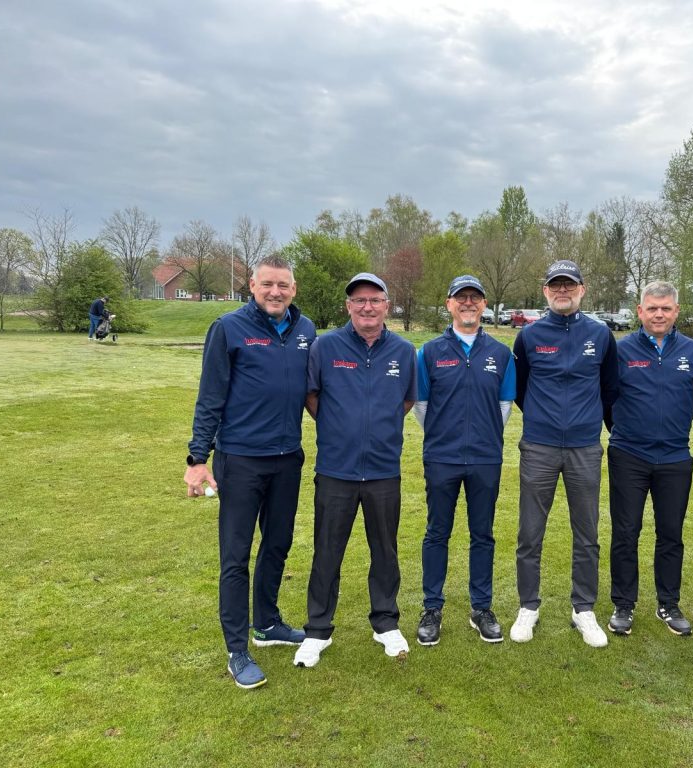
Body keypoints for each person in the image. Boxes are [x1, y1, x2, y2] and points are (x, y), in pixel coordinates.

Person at [184, 256, 316, 690]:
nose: (275, 292)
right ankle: (237, 649)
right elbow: (210, 397)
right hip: (240, 460)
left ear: (293, 289)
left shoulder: (305, 330)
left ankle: (268, 623)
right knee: (236, 555)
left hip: (287, 459)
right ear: (252, 286)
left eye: (283, 285)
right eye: (267, 284)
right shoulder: (229, 328)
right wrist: (197, 459)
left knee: (277, 544)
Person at [294, 272, 417, 668]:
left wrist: (376, 429)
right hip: (336, 470)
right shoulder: (326, 346)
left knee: (385, 551)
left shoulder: (403, 351)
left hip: (383, 470)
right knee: (327, 552)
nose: (367, 307)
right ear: (348, 306)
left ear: (386, 306)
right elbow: (311, 396)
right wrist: (339, 428)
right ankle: (317, 629)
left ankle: (385, 623)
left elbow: (406, 401)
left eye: (375, 300)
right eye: (359, 300)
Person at [510, 260, 619, 648]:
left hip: (585, 447)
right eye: (555, 285)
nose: (562, 291)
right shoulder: (529, 336)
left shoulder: (601, 335)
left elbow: (609, 388)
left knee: (587, 532)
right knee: (530, 532)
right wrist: (544, 418)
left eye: (569, 285)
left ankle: (583, 608)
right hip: (539, 446)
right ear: (545, 291)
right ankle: (528, 606)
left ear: (581, 289)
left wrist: (584, 422)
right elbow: (520, 388)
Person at [412, 275, 516, 646]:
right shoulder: (428, 352)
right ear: (449, 304)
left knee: (482, 533)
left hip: (486, 458)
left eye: (475, 297)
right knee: (437, 532)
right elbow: (421, 405)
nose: (468, 303)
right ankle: (431, 608)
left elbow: (504, 405)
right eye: (461, 297)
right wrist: (445, 434)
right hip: (442, 457)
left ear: (484, 304)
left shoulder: (502, 354)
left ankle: (481, 608)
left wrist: (483, 435)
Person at [605, 281, 693, 638]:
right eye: (652, 308)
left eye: (665, 308)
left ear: (676, 311)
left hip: (675, 458)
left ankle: (669, 603)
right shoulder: (620, 350)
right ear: (640, 311)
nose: (659, 314)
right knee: (626, 531)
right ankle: (623, 604)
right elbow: (607, 399)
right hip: (628, 455)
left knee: (671, 533)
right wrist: (628, 431)